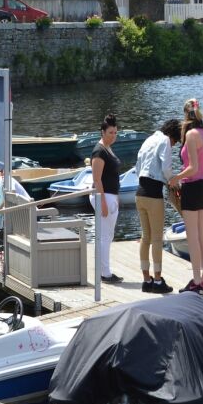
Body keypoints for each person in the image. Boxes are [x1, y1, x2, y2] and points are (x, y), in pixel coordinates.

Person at [171, 98, 203, 293]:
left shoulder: (190, 135)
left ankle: (196, 280)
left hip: (191, 187)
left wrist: (176, 177)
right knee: (202, 234)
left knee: (192, 236)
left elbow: (192, 167)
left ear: (185, 115)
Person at [134, 119, 182, 294]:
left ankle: (146, 280)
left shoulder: (149, 140)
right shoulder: (164, 141)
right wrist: (173, 181)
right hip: (154, 194)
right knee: (156, 239)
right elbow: (166, 167)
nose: (174, 144)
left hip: (139, 193)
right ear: (172, 136)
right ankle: (158, 280)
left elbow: (137, 166)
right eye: (175, 141)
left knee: (145, 237)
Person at [89, 113, 122, 282]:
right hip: (103, 196)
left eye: (115, 132)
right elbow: (97, 179)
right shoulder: (99, 151)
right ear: (102, 132)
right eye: (110, 132)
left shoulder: (108, 148)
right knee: (105, 236)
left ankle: (105, 270)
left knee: (108, 235)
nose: (113, 136)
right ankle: (104, 273)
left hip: (110, 196)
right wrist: (102, 202)